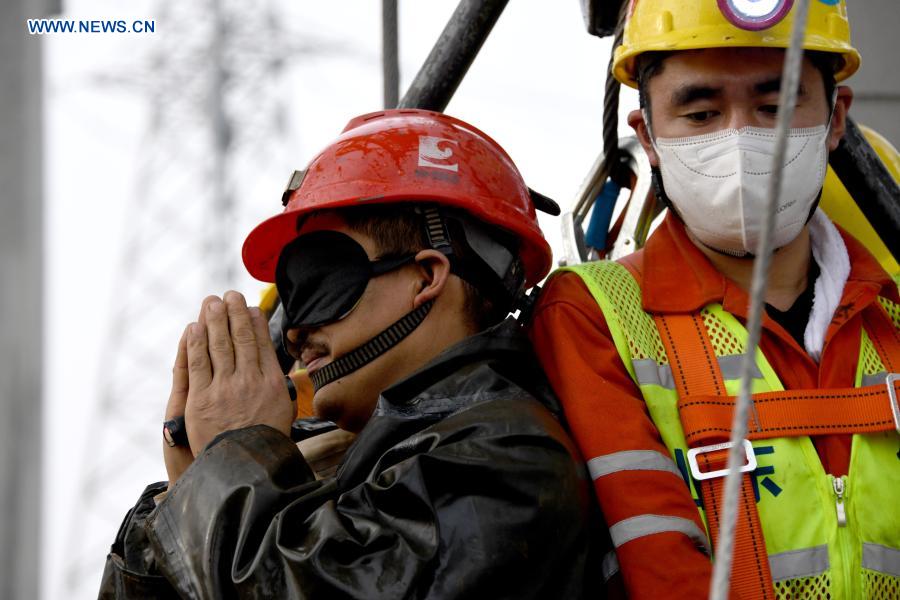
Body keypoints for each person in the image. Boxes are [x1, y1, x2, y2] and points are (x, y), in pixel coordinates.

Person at [99, 109, 602, 599]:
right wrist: (185, 501)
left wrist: (231, 462)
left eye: (320, 280)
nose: (293, 332)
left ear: (427, 277)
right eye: (290, 292)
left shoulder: (505, 459)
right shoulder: (322, 470)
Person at [528, 1, 900, 598]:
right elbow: (661, 567)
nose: (741, 141)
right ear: (648, 135)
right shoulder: (593, 316)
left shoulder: (894, 307)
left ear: (835, 120)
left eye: (775, 107)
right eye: (700, 113)